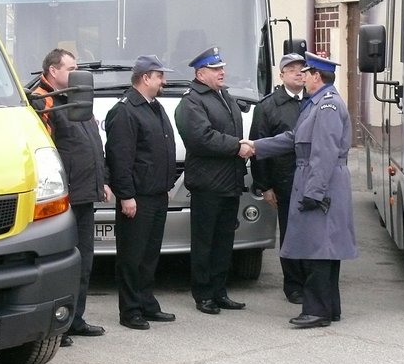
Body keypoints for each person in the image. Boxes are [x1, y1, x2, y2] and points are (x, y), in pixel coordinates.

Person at [244, 51, 358, 328]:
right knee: (323, 247)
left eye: (306, 73)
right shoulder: (316, 103)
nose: (302, 77)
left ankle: (317, 311)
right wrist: (256, 146)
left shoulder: (327, 106)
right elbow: (293, 138)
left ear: (316, 76)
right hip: (318, 181)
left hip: (322, 184)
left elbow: (324, 154)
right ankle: (329, 308)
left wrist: (314, 193)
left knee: (318, 249)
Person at [31, 48, 111, 347]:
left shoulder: (76, 98)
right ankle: (57, 325)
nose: (78, 74)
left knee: (83, 261)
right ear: (53, 71)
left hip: (84, 193)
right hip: (61, 200)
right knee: (60, 264)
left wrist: (102, 180)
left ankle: (75, 319)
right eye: (71, 68)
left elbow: (92, 144)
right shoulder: (42, 102)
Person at [175, 46, 252, 315]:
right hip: (208, 185)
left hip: (229, 182)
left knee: (223, 242)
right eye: (216, 69)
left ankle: (220, 291)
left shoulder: (223, 95)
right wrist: (236, 146)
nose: (222, 72)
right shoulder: (192, 101)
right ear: (200, 74)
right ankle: (204, 294)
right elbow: (201, 138)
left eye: (222, 68)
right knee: (204, 242)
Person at [104, 55, 177, 330]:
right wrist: (126, 195)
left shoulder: (154, 106)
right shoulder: (125, 111)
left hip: (157, 194)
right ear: (146, 78)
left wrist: (166, 186)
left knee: (149, 255)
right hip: (137, 197)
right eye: (160, 76)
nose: (164, 82)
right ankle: (130, 310)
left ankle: (147, 303)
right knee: (132, 257)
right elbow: (120, 158)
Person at [249, 53, 308, 305]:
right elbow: (259, 148)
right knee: (291, 234)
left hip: (312, 182)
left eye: (302, 68)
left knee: (313, 234)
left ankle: (312, 281)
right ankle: (293, 285)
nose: (298, 73)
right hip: (285, 182)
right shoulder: (268, 106)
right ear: (281, 75)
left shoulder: (315, 100)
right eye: (291, 69)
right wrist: (265, 186)